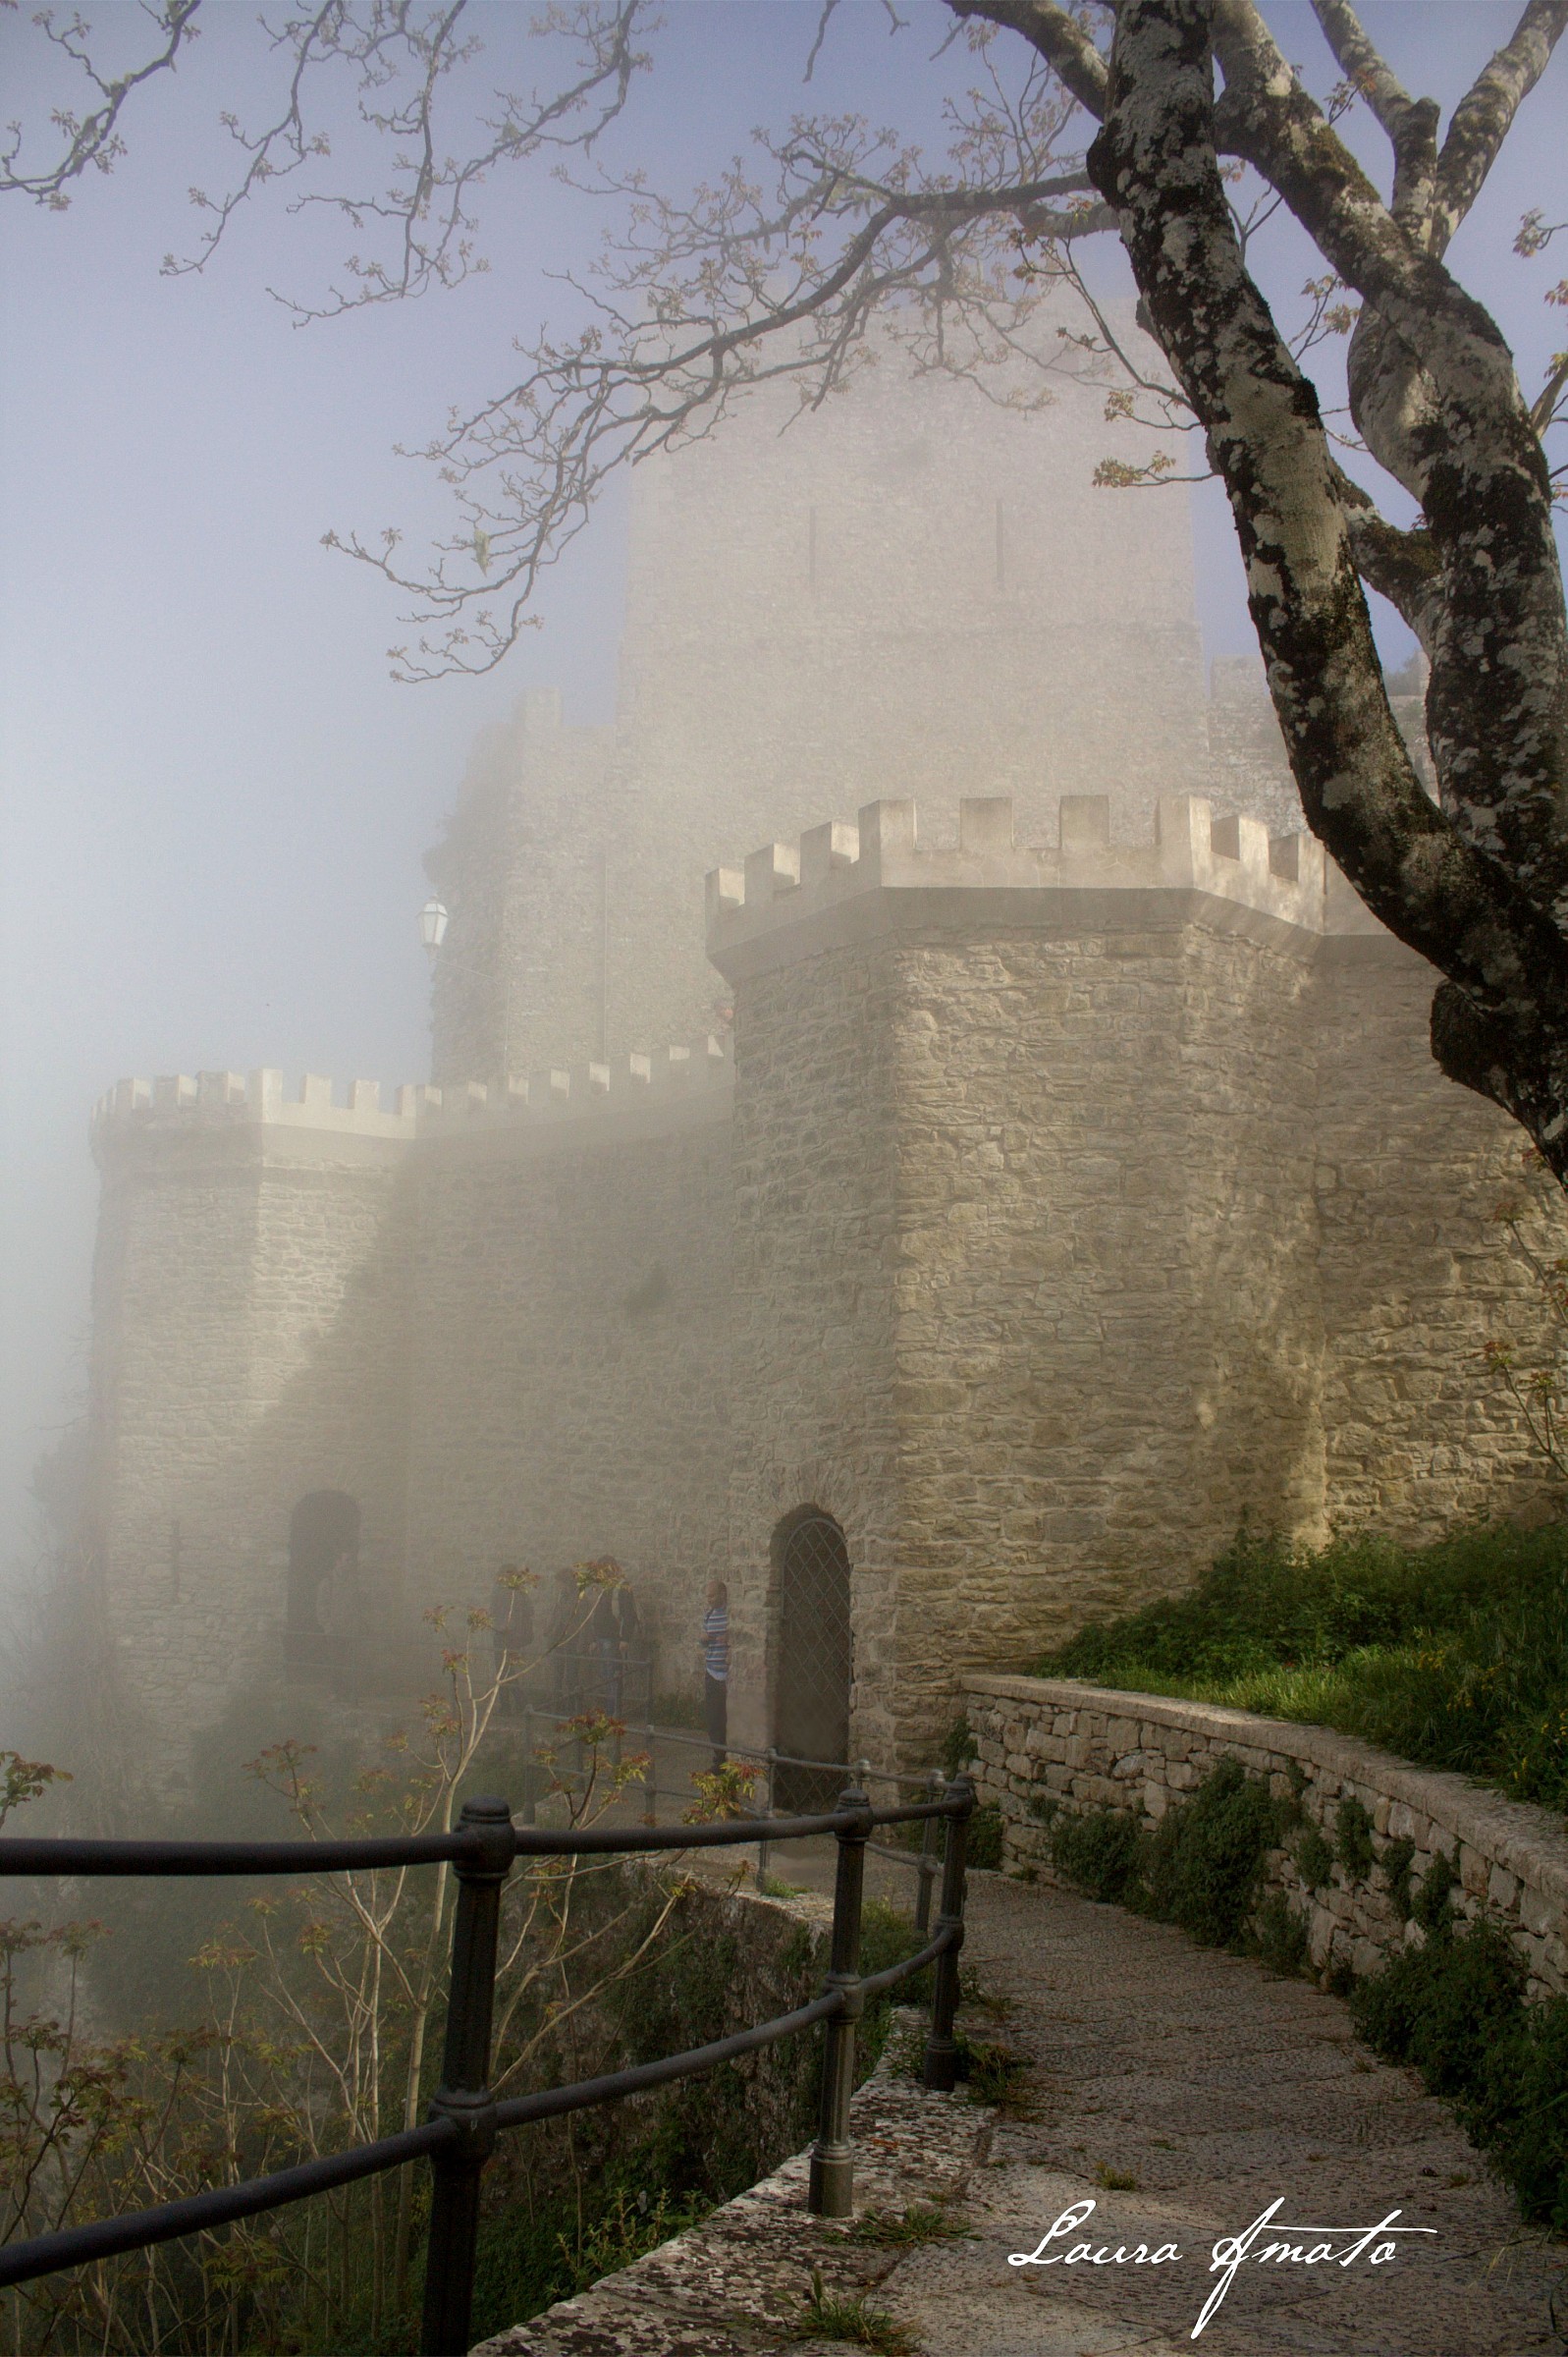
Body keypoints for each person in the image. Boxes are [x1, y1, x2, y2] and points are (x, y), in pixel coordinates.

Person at [490, 1566, 533, 1721]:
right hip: (515, 1636)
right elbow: (530, 1612)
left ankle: (514, 1705)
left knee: (504, 1671)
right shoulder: (521, 1593)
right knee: (508, 1670)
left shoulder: (500, 1593)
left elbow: (492, 1612)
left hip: (503, 1635)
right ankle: (513, 1705)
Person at [701, 1579, 729, 1769]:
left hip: (728, 1674)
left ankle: (728, 1760)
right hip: (711, 1672)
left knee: (728, 1718)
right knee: (713, 1719)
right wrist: (703, 1639)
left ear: (722, 1595)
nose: (708, 1599)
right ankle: (718, 1758)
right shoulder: (708, 1615)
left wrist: (730, 1639)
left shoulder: (731, 1615)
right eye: (707, 1596)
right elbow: (703, 1642)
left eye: (711, 1595)